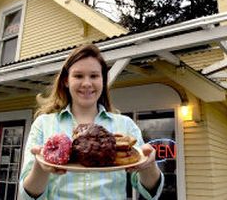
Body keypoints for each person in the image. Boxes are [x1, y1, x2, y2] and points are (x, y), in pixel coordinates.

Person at [19, 44, 164, 200]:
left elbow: (150, 193)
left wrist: (149, 165)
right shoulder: (44, 124)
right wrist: (41, 167)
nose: (87, 83)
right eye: (78, 76)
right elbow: (26, 195)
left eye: (94, 76)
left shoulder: (125, 125)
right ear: (66, 81)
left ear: (102, 80)